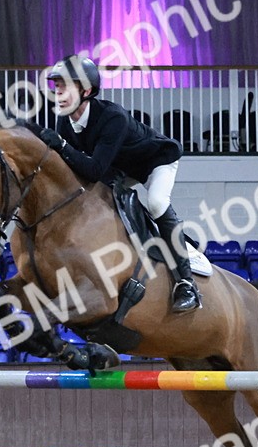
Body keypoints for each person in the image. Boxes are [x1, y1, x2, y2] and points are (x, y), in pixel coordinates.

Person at [38, 55, 202, 312]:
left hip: (155, 161)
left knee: (157, 202)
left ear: (86, 90)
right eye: (55, 87)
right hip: (119, 168)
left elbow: (93, 169)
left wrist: (61, 145)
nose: (58, 93)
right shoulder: (65, 121)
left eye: (64, 87)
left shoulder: (112, 117)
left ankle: (186, 283)